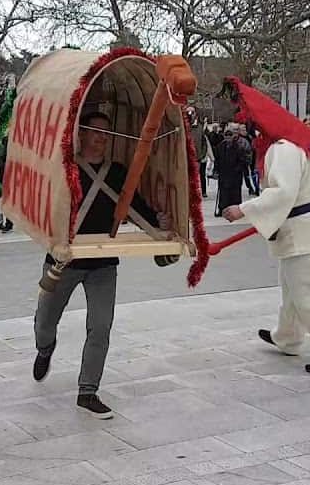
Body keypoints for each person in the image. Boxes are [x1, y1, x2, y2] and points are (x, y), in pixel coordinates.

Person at [32, 111, 169, 419]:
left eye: (107, 133)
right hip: (63, 263)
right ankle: (44, 348)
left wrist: (159, 226)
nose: (102, 138)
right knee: (44, 321)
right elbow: (42, 204)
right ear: (82, 134)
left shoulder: (117, 172)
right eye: (96, 132)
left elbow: (135, 206)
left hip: (103, 263)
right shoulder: (64, 170)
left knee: (101, 326)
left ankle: (88, 391)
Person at [220, 78, 310, 376]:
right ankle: (288, 336)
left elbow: (283, 193)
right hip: (307, 229)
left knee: (307, 296)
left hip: (302, 233)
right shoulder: (297, 143)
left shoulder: (282, 149)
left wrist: (241, 209)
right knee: (292, 290)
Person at [210, 123, 250, 216]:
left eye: (230, 136)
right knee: (223, 192)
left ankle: (235, 210)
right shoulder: (220, 147)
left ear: (232, 137)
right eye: (226, 137)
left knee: (235, 193)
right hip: (224, 173)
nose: (228, 139)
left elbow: (243, 160)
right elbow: (217, 160)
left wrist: (238, 169)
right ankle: (222, 209)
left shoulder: (238, 147)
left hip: (235, 174)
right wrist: (216, 170)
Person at [191, 108, 211, 198]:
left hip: (200, 156)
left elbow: (204, 142)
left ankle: (203, 191)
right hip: (190, 157)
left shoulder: (200, 127)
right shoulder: (185, 127)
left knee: (201, 174)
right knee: (191, 176)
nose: (190, 114)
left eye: (192, 112)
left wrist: (202, 154)